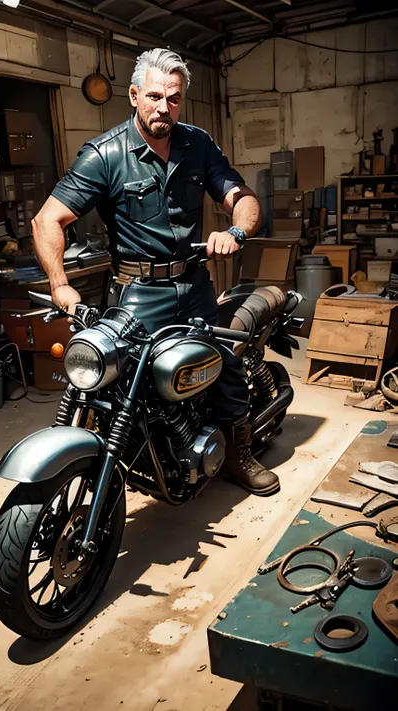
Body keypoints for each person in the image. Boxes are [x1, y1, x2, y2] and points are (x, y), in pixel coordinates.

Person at [31, 48, 279, 497]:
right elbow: (47, 220)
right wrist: (60, 284)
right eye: (154, 96)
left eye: (174, 98)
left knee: (222, 364)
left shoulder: (197, 144)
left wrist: (236, 233)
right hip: (137, 293)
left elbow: (242, 197)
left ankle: (239, 454)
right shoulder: (105, 155)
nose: (164, 107)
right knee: (119, 379)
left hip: (194, 282)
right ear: (133, 96)